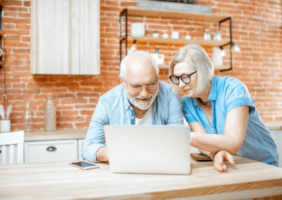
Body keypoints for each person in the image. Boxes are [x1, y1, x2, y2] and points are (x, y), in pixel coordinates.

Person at [169, 44, 279, 172]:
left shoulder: (233, 88)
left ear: (204, 70)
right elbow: (203, 143)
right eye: (176, 78)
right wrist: (214, 154)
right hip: (232, 165)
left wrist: (186, 136)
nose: (181, 84)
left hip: (264, 165)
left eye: (186, 76)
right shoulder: (188, 102)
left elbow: (232, 143)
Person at [82, 51, 184, 162]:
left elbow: (177, 141)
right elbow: (88, 147)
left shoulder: (170, 94)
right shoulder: (107, 102)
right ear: (123, 83)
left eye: (151, 85)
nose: (145, 94)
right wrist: (112, 154)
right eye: (136, 87)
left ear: (157, 78)